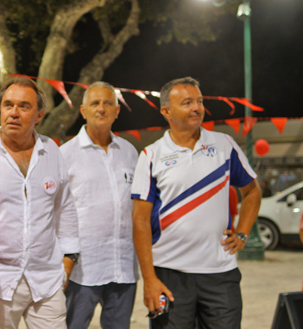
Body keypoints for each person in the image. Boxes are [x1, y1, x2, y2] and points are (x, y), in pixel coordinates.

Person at [131, 77, 261, 329]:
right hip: (169, 274)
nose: (197, 108)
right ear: (166, 111)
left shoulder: (224, 145)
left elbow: (252, 191)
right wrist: (149, 279)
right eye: (187, 102)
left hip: (220, 273)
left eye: (199, 101)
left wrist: (243, 233)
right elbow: (139, 221)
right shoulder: (151, 155)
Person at [0, 77, 80, 329]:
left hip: (48, 280)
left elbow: (65, 208)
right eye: (8, 105)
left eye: (24, 106)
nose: (14, 113)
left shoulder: (51, 150)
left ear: (39, 114)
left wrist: (69, 260)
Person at [60, 81, 138, 329]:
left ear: (117, 111)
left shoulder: (129, 152)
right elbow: (56, 211)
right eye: (95, 103)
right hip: (82, 269)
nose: (101, 109)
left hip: (123, 265)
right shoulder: (65, 154)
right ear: (83, 110)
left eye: (108, 103)